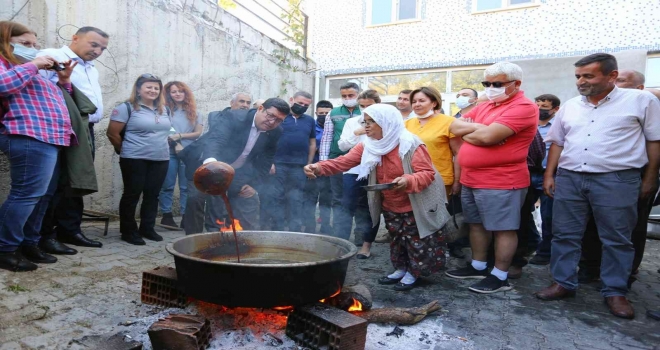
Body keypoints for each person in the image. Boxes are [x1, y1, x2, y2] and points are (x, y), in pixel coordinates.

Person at [534, 53, 660, 320]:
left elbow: (654, 141)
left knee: (616, 238)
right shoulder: (570, 105)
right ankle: (563, 282)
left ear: (612, 75)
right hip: (570, 178)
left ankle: (615, 291)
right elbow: (557, 142)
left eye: (588, 76)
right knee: (564, 234)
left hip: (616, 180)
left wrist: (649, 179)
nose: (581, 81)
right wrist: (549, 175)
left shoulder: (641, 100)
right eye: (578, 76)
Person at [305, 104, 450, 291]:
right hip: (390, 202)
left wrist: (407, 179)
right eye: (365, 121)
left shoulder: (410, 143)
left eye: (371, 121)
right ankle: (400, 268)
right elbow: (344, 162)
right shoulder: (369, 145)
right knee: (397, 238)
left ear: (386, 122)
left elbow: (426, 173)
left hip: (415, 203)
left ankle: (415, 273)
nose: (366, 126)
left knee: (416, 240)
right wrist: (319, 167)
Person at [445, 62, 538, 294]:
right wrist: (481, 130)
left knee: (503, 229)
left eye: (497, 84)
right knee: (475, 224)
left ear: (516, 84)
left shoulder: (524, 106)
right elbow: (455, 126)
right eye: (487, 83)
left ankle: (500, 275)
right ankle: (478, 265)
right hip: (471, 178)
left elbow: (486, 137)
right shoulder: (488, 105)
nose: (490, 88)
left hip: (502, 180)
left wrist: (475, 131)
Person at [0, 21, 77, 272]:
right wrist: (33, 64)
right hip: (27, 134)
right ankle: (5, 249)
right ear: (5, 42)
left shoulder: (33, 71)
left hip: (51, 137)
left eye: (35, 44)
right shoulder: (10, 65)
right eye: (25, 44)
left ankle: (29, 243)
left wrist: (64, 81)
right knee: (25, 194)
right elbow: (3, 86)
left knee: (42, 196)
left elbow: (55, 98)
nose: (33, 49)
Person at [578, 71, 658, 286]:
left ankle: (625, 274)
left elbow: (654, 146)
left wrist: (650, 179)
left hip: (634, 175)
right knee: (591, 223)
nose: (615, 85)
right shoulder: (596, 107)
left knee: (629, 227)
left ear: (640, 88)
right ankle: (590, 267)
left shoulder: (646, 105)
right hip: (594, 175)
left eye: (621, 81)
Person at [37, 26, 109, 254]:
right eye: (94, 44)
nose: (98, 51)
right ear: (75, 38)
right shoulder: (54, 56)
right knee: (54, 184)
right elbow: (40, 91)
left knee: (76, 182)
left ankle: (70, 230)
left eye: (103, 48)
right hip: (61, 129)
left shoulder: (92, 68)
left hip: (85, 128)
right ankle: (44, 235)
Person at [180, 98, 289, 234]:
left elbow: (266, 159)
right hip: (205, 162)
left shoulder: (276, 131)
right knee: (196, 198)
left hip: (236, 170)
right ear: (260, 108)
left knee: (248, 197)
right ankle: (193, 243)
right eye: (270, 115)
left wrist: (254, 184)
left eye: (279, 120)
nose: (272, 122)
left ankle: (245, 241)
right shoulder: (234, 117)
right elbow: (216, 140)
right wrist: (211, 163)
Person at [107, 74, 172, 245]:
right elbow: (112, 133)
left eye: (156, 88)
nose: (153, 90)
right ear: (138, 89)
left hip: (161, 159)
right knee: (132, 194)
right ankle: (128, 231)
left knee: (152, 195)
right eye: (148, 87)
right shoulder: (126, 108)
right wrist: (126, 150)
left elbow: (166, 132)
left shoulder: (166, 110)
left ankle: (147, 228)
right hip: (134, 159)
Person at [336, 90, 381, 258]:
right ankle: (342, 245)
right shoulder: (351, 122)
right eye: (362, 106)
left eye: (369, 106)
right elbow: (342, 146)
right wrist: (357, 133)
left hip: (376, 170)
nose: (365, 109)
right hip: (353, 170)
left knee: (371, 207)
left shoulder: (385, 122)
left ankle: (366, 246)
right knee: (346, 207)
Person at [266, 91, 316, 232]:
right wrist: (270, 162)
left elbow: (312, 143)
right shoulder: (280, 117)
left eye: (306, 105)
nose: (303, 106)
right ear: (291, 100)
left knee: (296, 198)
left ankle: (294, 230)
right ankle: (278, 230)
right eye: (300, 103)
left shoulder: (309, 120)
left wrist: (309, 163)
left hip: (299, 167)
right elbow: (268, 139)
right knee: (277, 197)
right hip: (278, 165)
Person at [204, 92, 253, 232]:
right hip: (217, 168)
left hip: (239, 170)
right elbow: (214, 141)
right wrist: (212, 164)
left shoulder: (250, 121)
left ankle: (234, 234)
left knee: (235, 205)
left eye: (248, 103)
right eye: (241, 101)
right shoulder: (219, 117)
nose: (245, 105)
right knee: (216, 204)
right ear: (232, 103)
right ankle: (213, 233)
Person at [319, 82, 362, 238]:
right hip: (337, 161)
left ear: (358, 94)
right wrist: (324, 163)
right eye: (344, 96)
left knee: (360, 199)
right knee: (338, 198)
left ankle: (361, 235)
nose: (347, 98)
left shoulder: (365, 110)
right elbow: (326, 138)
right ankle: (340, 236)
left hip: (362, 162)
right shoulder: (333, 113)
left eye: (351, 95)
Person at [158, 81, 203, 228]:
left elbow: (197, 133)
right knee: (167, 185)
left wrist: (179, 136)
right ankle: (166, 216)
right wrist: (176, 142)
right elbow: (165, 129)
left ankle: (185, 216)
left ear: (186, 93)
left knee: (185, 186)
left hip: (189, 153)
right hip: (168, 152)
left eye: (180, 91)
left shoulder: (196, 112)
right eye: (174, 91)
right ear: (168, 94)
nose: (177, 94)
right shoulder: (164, 110)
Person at [405, 87, 461, 198]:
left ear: (434, 103)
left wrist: (457, 181)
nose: (417, 104)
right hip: (412, 178)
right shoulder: (406, 124)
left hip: (440, 179)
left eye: (422, 101)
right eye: (414, 102)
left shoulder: (449, 122)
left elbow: (458, 153)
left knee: (437, 213)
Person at [528, 94, 560, 266]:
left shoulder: (558, 126)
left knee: (549, 215)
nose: (539, 110)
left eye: (544, 107)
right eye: (537, 106)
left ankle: (545, 252)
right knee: (524, 212)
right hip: (529, 173)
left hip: (551, 174)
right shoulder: (530, 124)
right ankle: (532, 242)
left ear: (555, 109)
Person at [302, 100, 334, 234]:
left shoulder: (335, 127)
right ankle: (309, 228)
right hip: (312, 170)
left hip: (328, 171)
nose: (324, 115)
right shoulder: (310, 127)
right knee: (309, 200)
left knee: (326, 202)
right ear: (316, 113)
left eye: (327, 113)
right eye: (321, 113)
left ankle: (325, 227)